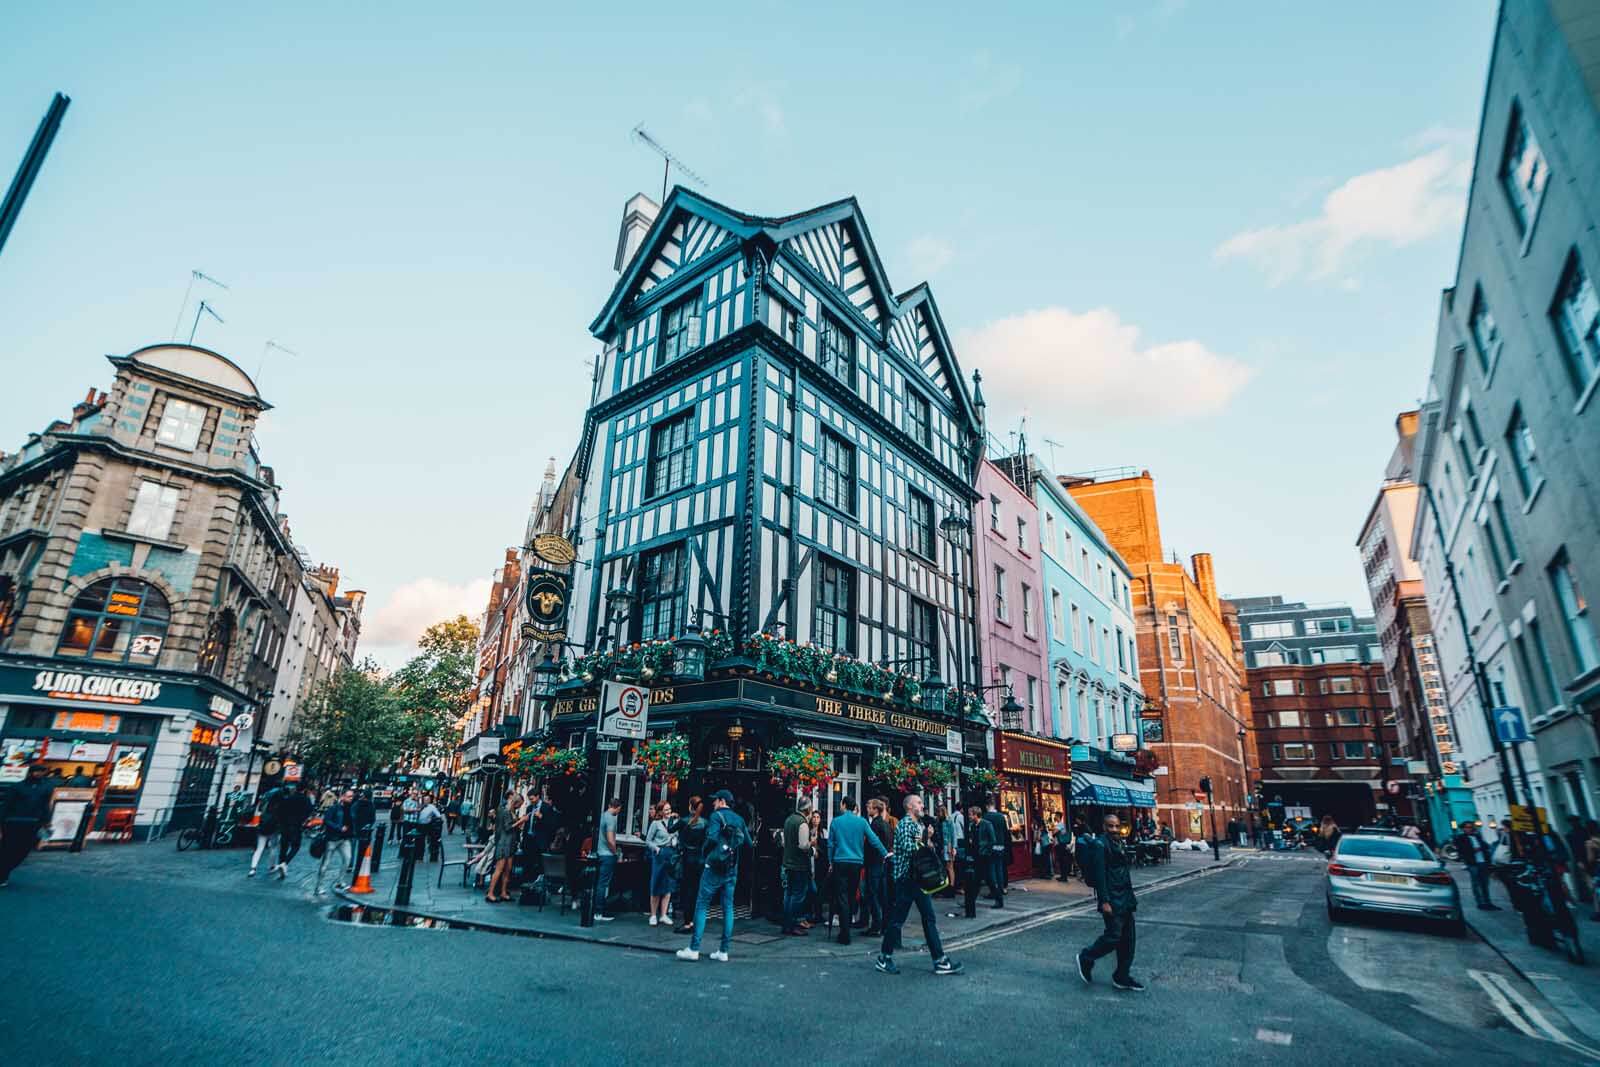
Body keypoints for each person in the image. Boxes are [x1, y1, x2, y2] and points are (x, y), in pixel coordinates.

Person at [874, 793, 963, 976]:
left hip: (916, 880)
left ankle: (937, 960)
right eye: (919, 803)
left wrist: (925, 838)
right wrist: (924, 840)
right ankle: (886, 957)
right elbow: (909, 850)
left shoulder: (916, 825)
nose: (922, 805)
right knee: (903, 920)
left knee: (922, 919)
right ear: (909, 807)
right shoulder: (907, 824)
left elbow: (920, 849)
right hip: (908, 879)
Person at [678, 789, 749, 962]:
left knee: (702, 905)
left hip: (714, 868)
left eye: (715, 801)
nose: (713, 803)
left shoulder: (716, 817)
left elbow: (711, 838)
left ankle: (694, 948)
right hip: (732, 869)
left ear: (722, 801)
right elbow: (748, 843)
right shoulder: (739, 819)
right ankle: (723, 951)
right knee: (728, 908)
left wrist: (706, 855)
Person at [1076, 813, 1144, 992]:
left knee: (1129, 939)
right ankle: (1087, 957)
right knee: (1113, 936)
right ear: (1104, 827)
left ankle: (1121, 976)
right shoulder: (1100, 845)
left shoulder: (1118, 842)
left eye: (1116, 826)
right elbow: (1099, 875)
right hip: (1112, 898)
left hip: (1126, 897)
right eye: (1110, 826)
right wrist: (1104, 901)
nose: (1114, 829)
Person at [828, 795, 886, 945]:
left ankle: (844, 933)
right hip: (856, 863)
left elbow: (831, 845)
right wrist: (886, 853)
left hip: (840, 862)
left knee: (841, 897)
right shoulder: (862, 822)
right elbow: (874, 840)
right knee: (851, 896)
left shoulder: (836, 822)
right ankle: (846, 930)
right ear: (854, 807)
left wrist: (830, 861)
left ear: (843, 805)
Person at [0, 763, 54, 887]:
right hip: (13, 822)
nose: (40, 774)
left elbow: (45, 806)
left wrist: (46, 822)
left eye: (42, 772)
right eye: (37, 772)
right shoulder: (16, 787)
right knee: (6, 849)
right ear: (30, 772)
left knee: (23, 851)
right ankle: (3, 875)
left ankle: (4, 872)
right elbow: (6, 805)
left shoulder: (46, 788)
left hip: (32, 823)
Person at [673, 796, 707, 934]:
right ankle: (694, 921)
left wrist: (673, 817)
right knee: (696, 891)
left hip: (687, 858)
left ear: (690, 806)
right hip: (699, 860)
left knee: (686, 891)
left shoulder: (684, 821)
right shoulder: (705, 822)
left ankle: (688, 923)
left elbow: (670, 829)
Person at [313, 788, 357, 897]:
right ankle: (319, 887)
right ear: (342, 797)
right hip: (333, 839)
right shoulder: (334, 808)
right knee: (326, 864)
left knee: (347, 859)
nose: (351, 798)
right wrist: (338, 827)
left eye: (352, 796)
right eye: (349, 796)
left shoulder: (351, 808)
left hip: (345, 839)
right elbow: (326, 820)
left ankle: (340, 881)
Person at [781, 798, 813, 936]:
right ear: (808, 809)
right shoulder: (802, 823)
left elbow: (784, 841)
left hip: (788, 863)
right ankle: (792, 924)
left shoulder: (788, 820)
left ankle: (786, 924)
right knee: (798, 896)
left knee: (788, 894)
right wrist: (812, 847)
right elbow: (803, 845)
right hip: (799, 865)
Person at [860, 798, 892, 936]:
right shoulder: (886, 824)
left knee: (872, 895)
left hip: (873, 864)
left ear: (876, 810)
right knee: (882, 896)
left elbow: (871, 845)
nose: (868, 809)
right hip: (882, 864)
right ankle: (884, 925)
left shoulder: (875, 825)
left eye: (870, 807)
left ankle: (876, 926)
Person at [487, 793, 526, 902]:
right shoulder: (505, 811)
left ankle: (503, 892)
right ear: (515, 802)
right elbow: (507, 828)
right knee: (499, 869)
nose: (520, 807)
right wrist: (520, 821)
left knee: (507, 869)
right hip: (504, 843)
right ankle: (490, 893)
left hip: (511, 843)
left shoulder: (512, 812)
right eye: (519, 804)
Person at [646, 801, 679, 927]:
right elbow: (648, 841)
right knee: (656, 884)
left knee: (668, 884)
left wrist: (675, 841)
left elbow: (677, 835)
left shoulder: (674, 822)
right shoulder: (655, 824)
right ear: (660, 811)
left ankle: (663, 915)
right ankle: (653, 915)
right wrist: (656, 848)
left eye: (669, 809)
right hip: (659, 854)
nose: (668, 812)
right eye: (665, 810)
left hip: (671, 853)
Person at [1453, 820, 1498, 910]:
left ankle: (1488, 902)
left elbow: (1485, 846)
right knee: (1476, 883)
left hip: (1483, 862)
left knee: (1485, 883)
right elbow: (1461, 851)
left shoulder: (1477, 836)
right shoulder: (1460, 838)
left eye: (1471, 827)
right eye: (1467, 827)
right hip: (1473, 863)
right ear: (1463, 829)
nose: (1469, 829)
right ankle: (1480, 902)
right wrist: (1473, 850)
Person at [272, 784, 314, 879]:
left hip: (285, 825)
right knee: (295, 846)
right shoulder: (305, 799)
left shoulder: (288, 798)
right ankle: (285, 862)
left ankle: (281, 863)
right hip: (296, 825)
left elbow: (279, 810)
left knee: (284, 845)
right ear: (305, 790)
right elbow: (310, 810)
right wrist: (303, 819)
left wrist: (281, 821)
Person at [593, 797, 623, 921]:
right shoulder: (611, 819)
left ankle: (596, 910)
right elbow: (611, 839)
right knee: (603, 884)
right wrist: (615, 852)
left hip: (600, 852)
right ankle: (599, 911)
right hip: (607, 855)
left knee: (599, 883)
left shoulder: (603, 815)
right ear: (617, 807)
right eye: (619, 809)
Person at [248, 783, 287, 877]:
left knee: (259, 848)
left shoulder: (266, 800)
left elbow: (259, 811)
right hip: (274, 827)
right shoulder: (281, 803)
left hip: (263, 824)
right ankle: (271, 866)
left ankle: (253, 868)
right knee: (273, 847)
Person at [982, 798, 1010, 905]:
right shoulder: (1001, 816)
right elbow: (1005, 831)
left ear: (987, 806)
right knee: (999, 868)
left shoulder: (986, 817)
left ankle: (994, 891)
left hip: (991, 846)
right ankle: (1001, 888)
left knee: (991, 869)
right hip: (1001, 845)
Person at [807, 808, 828, 926]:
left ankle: (818, 913)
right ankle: (810, 913)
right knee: (811, 889)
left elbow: (825, 849)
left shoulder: (823, 832)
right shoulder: (807, 831)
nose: (815, 820)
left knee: (818, 889)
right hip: (809, 861)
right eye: (814, 817)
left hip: (819, 863)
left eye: (817, 817)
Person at [351, 788, 377, 873]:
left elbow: (352, 815)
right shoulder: (371, 805)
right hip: (365, 830)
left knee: (352, 848)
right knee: (363, 848)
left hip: (355, 829)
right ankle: (361, 864)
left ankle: (350, 865)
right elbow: (372, 819)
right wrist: (368, 826)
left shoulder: (357, 804)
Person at [944, 801, 965, 892]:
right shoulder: (960, 816)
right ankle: (959, 886)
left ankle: (954, 884)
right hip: (960, 840)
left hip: (952, 842)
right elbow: (965, 827)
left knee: (953, 865)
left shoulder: (951, 816)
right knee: (959, 864)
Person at [418, 793, 446, 862]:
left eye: (427, 799)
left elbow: (439, 816)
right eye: (425, 799)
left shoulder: (432, 807)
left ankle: (432, 857)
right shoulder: (420, 806)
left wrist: (432, 818)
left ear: (430, 800)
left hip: (427, 825)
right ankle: (419, 857)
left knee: (431, 841)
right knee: (420, 842)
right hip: (419, 825)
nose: (426, 801)